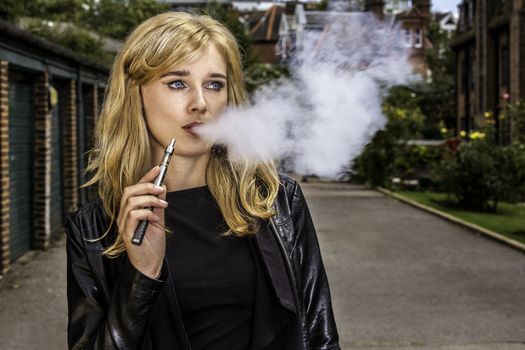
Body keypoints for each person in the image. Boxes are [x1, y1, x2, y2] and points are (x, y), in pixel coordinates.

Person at [65, 11, 340, 350]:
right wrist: (142, 277)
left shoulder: (275, 201)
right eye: (177, 83)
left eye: (214, 85)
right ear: (136, 94)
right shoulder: (94, 230)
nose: (200, 103)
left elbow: (318, 334)